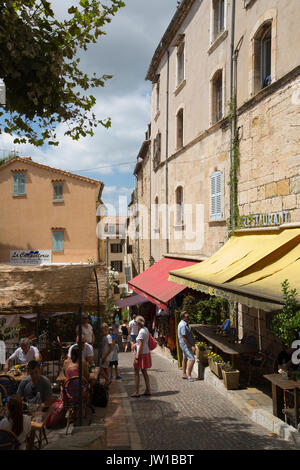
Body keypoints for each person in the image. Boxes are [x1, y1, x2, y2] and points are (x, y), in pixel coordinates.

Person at [131, 315, 151, 398]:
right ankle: (148, 389)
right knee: (144, 371)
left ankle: (137, 391)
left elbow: (141, 345)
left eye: (135, 321)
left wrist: (137, 356)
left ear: (138, 323)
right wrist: (136, 344)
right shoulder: (145, 329)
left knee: (136, 372)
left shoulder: (141, 331)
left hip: (141, 353)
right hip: (146, 352)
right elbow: (143, 342)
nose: (135, 323)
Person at [177, 311, 196, 382]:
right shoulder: (183, 325)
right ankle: (189, 375)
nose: (188, 318)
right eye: (187, 317)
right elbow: (184, 337)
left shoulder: (182, 324)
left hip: (183, 345)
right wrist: (191, 346)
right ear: (183, 317)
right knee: (192, 359)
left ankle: (184, 374)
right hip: (186, 345)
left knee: (185, 358)